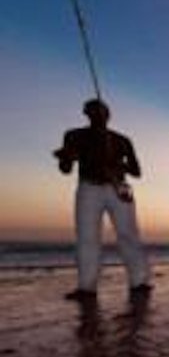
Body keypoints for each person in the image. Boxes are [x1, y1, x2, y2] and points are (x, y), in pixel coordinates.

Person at [54, 98, 151, 300]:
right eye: (92, 112)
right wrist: (65, 157)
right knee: (87, 238)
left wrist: (117, 165)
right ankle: (86, 288)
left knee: (128, 235)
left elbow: (137, 171)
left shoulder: (122, 140)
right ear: (86, 114)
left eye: (102, 112)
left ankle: (139, 282)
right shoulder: (74, 135)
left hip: (119, 189)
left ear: (108, 114)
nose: (98, 116)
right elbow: (65, 170)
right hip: (89, 188)